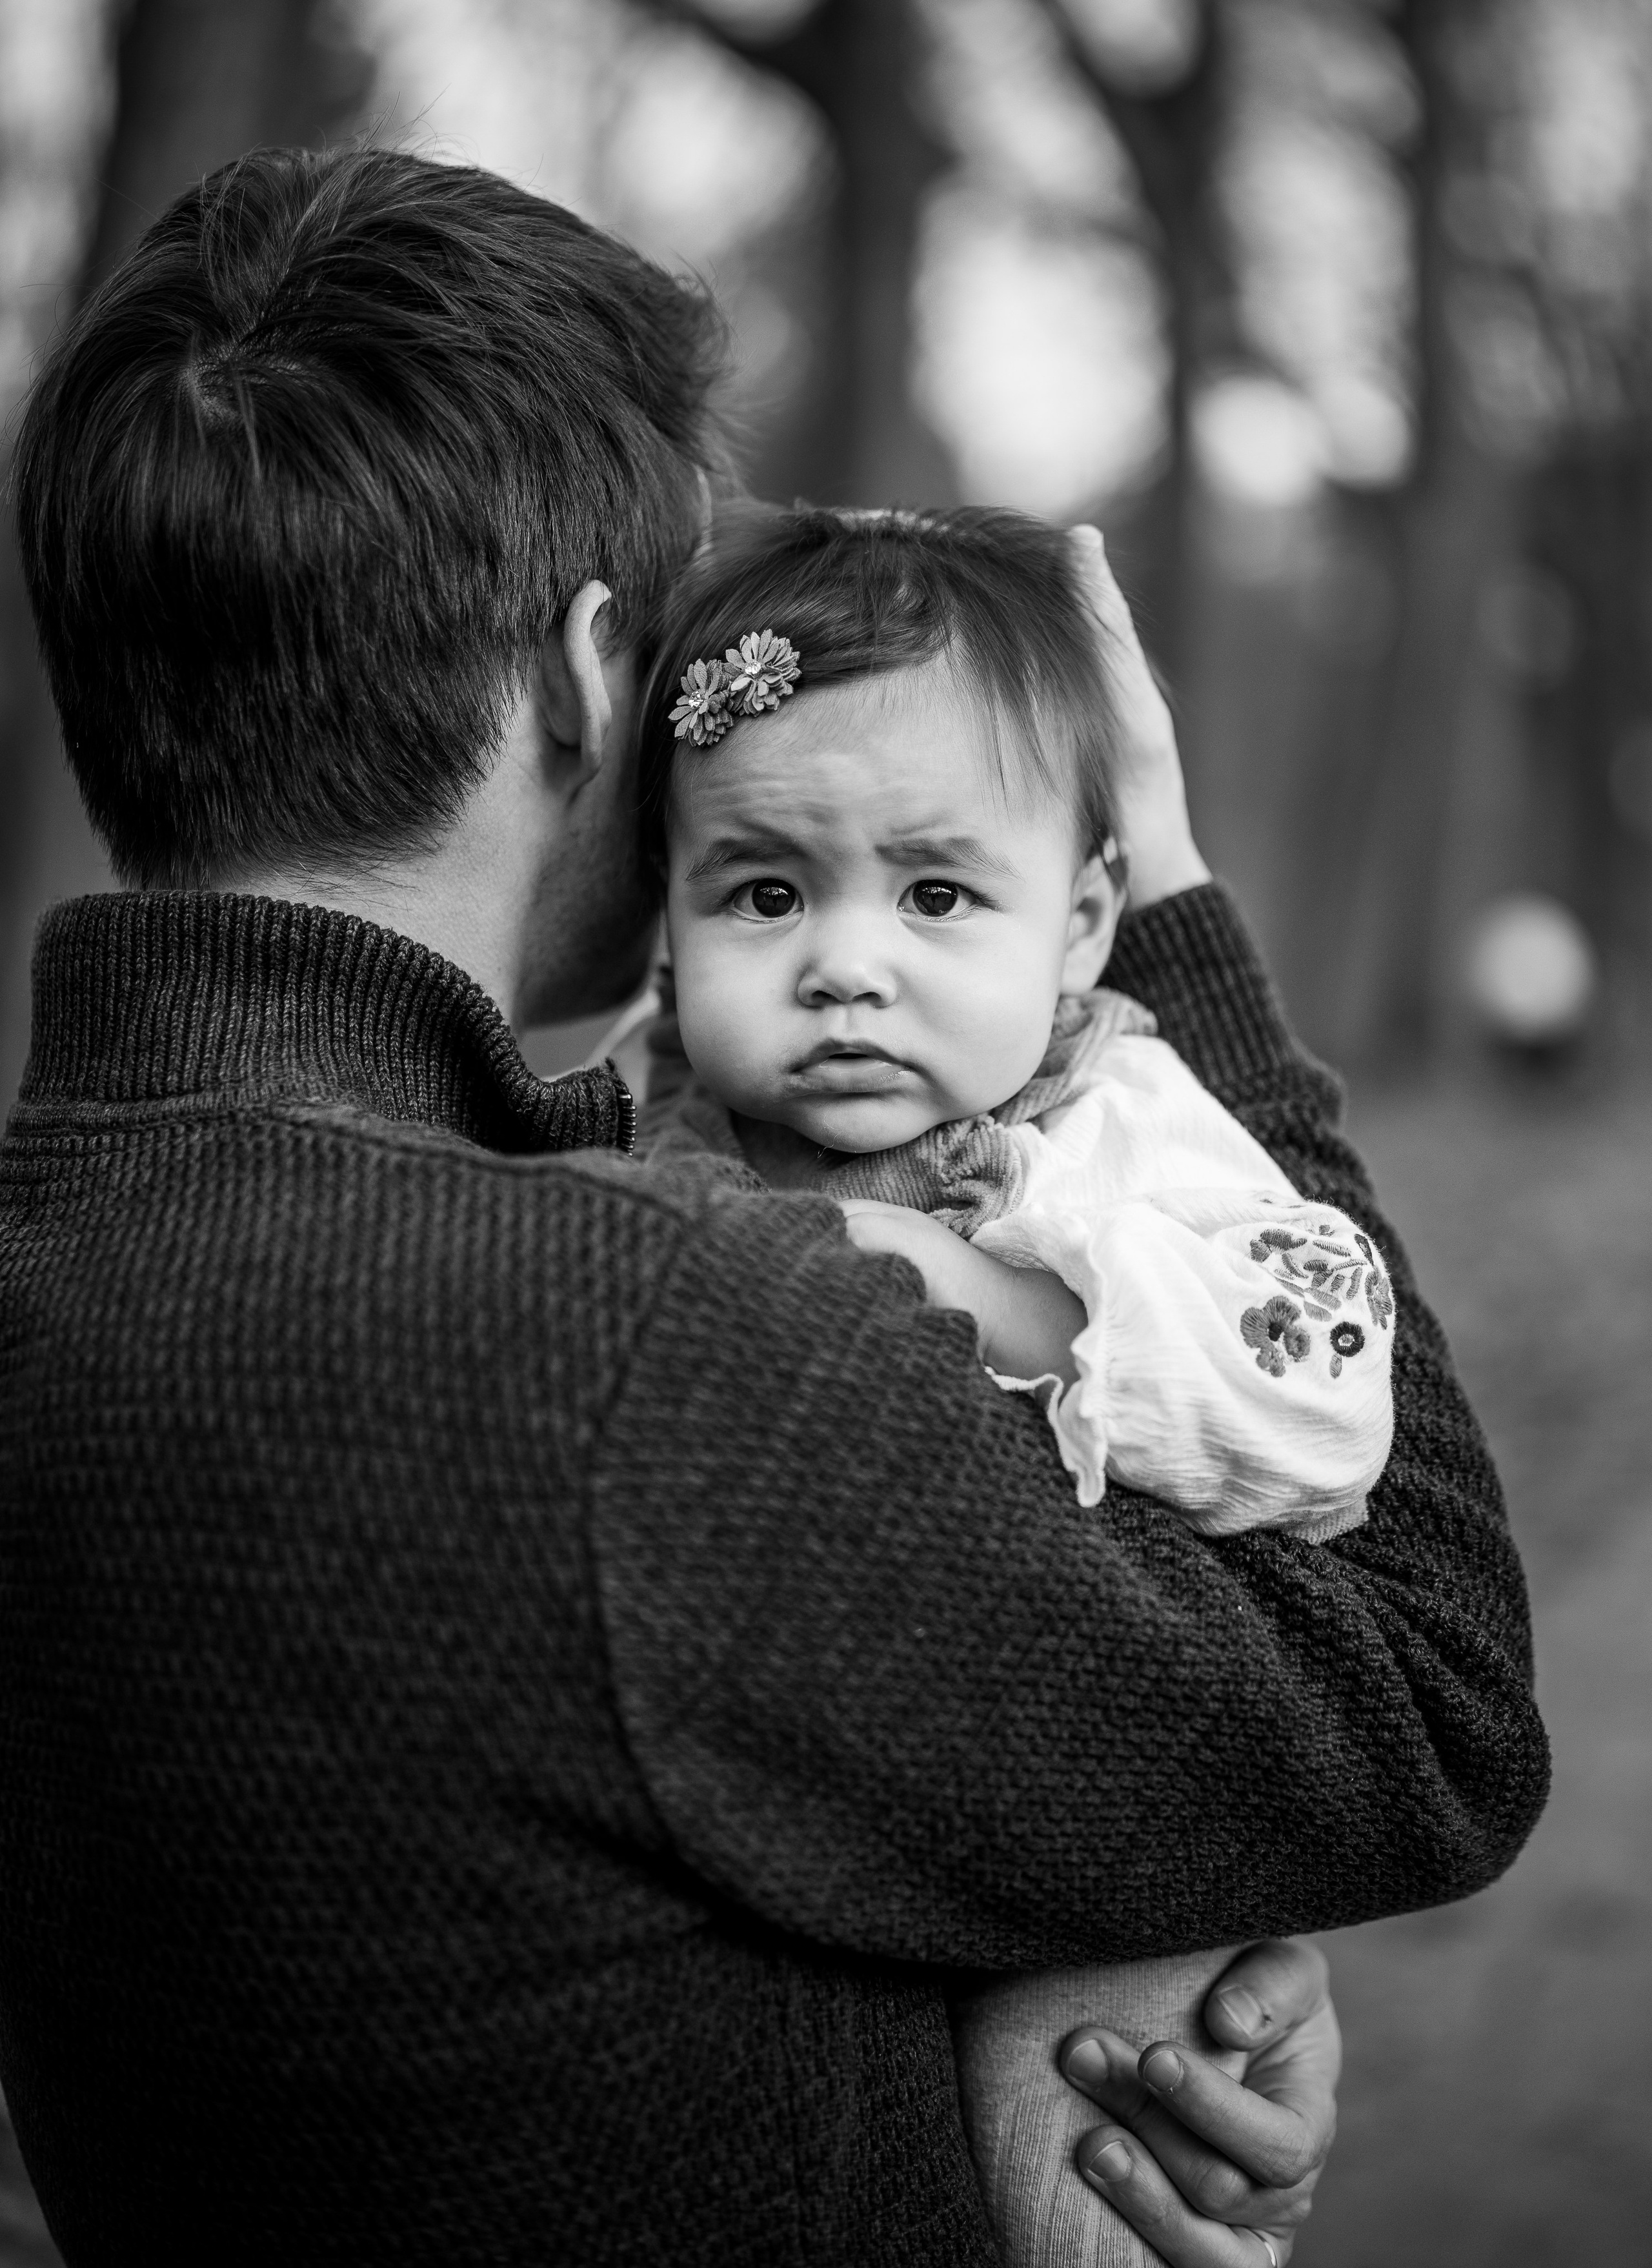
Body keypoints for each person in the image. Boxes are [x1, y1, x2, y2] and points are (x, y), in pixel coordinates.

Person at [0, 147, 1547, 2267]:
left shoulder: (66, 1254)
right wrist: (1162, 921)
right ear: (584, 677)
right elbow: (1435, 1707)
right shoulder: (664, 1342)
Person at [631, 500, 1402, 2267]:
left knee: (1089, 2165)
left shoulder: (1110, 1121)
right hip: (810, 1823)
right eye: (763, 890)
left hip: (1111, 1818)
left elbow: (1327, 1393)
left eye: (936, 892)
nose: (844, 961)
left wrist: (982, 1289)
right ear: (668, 916)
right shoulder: (654, 1139)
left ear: (1080, 918)